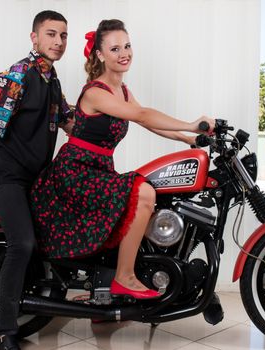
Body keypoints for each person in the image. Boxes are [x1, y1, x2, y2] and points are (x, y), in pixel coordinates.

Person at [30, 19, 214, 300]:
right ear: (100, 55)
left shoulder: (123, 91)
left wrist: (189, 140)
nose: (124, 53)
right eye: (115, 48)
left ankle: (107, 290)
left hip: (100, 169)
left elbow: (149, 122)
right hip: (75, 172)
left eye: (127, 46)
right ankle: (124, 277)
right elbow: (142, 115)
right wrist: (191, 125)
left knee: (146, 196)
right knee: (143, 192)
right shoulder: (94, 91)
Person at [0, 10, 74, 350]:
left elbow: (72, 123)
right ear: (34, 37)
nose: (58, 42)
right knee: (23, 243)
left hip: (35, 176)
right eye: (51, 34)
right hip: (7, 174)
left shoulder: (51, 80)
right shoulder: (16, 76)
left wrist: (117, 116)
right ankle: (4, 331)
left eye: (63, 36)